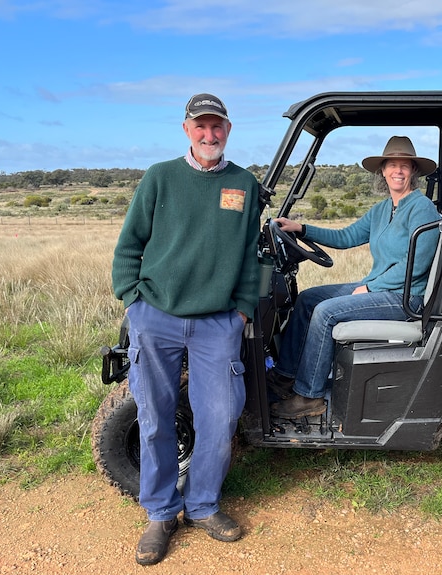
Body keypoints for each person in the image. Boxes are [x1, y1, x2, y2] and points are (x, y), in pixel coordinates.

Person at [112, 93, 261, 566]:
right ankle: (160, 514)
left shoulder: (245, 184)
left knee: (219, 418)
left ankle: (201, 506)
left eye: (217, 126)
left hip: (218, 322)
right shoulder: (160, 177)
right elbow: (130, 244)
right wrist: (133, 301)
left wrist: (241, 310)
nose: (209, 134)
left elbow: (254, 255)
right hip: (156, 316)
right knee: (154, 416)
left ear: (228, 130)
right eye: (201, 126)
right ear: (186, 129)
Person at [268, 136, 441, 419]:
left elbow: (416, 264)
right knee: (309, 299)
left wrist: (371, 287)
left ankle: (308, 396)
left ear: (414, 172)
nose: (398, 171)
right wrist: (301, 228)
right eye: (392, 165)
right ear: (383, 171)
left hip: (406, 296)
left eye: (405, 166)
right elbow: (346, 236)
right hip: (382, 289)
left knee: (324, 313)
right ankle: (285, 375)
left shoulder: (421, 208)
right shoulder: (383, 209)